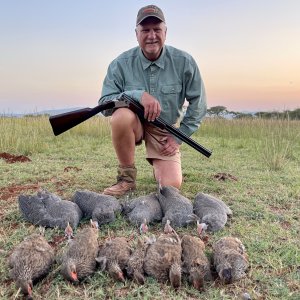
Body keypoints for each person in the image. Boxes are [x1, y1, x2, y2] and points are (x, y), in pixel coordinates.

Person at [99, 4, 207, 196]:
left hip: (164, 129)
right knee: (121, 116)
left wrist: (179, 136)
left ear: (166, 31)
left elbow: (198, 103)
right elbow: (104, 105)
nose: (151, 36)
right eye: (145, 30)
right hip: (134, 123)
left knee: (170, 186)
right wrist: (137, 94)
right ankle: (126, 178)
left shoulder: (184, 62)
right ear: (136, 33)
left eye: (157, 29)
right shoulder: (120, 64)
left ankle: (159, 167)